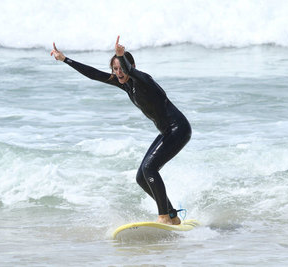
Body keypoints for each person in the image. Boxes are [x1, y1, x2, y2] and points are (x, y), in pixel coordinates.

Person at [51, 36, 191, 225]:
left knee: (150, 168)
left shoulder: (143, 80)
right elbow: (94, 74)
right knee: (142, 177)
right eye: (115, 69)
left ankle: (163, 216)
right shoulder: (125, 84)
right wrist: (65, 59)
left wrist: (121, 56)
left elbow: (132, 71)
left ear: (130, 66)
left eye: (122, 68)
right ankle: (172, 215)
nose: (118, 73)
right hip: (167, 132)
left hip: (178, 129)